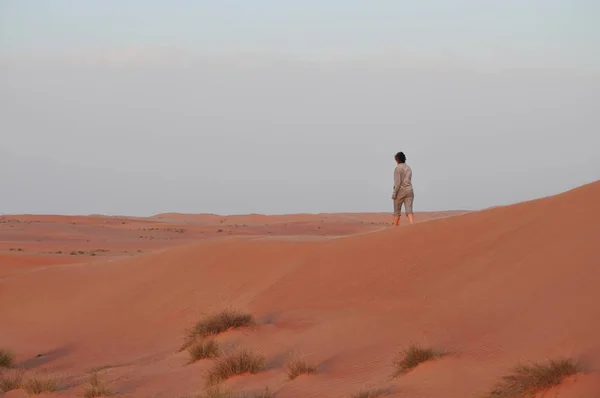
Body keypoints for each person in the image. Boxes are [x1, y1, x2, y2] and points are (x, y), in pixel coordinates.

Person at [391, 151, 414, 226]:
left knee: (397, 211)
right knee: (409, 210)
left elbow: (397, 183)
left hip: (401, 191)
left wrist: (394, 193)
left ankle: (395, 227)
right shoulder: (409, 168)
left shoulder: (397, 169)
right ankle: (412, 225)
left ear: (397, 160)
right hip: (409, 190)